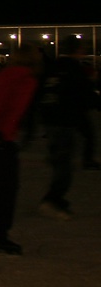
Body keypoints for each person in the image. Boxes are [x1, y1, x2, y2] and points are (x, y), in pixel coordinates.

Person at [0, 43, 42, 255]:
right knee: (7, 188)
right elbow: (14, 109)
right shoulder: (26, 79)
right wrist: (4, 135)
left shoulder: (4, 75)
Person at [38, 37, 100, 220]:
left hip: (52, 120)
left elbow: (40, 92)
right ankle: (52, 200)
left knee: (61, 160)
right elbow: (86, 95)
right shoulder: (74, 69)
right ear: (79, 50)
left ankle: (56, 197)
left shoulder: (52, 68)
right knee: (64, 165)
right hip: (65, 121)